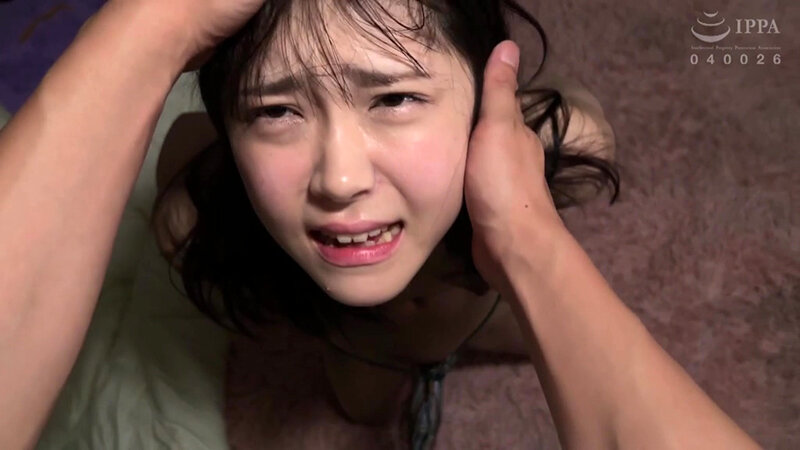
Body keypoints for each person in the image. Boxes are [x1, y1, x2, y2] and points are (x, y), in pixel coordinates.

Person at [0, 1, 761, 449]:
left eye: (394, 99)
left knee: (534, 346)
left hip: (483, 307)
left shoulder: (559, 142)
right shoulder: (195, 207)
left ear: (486, 97)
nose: (339, 179)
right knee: (358, 405)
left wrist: (524, 237)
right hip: (358, 344)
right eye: (277, 111)